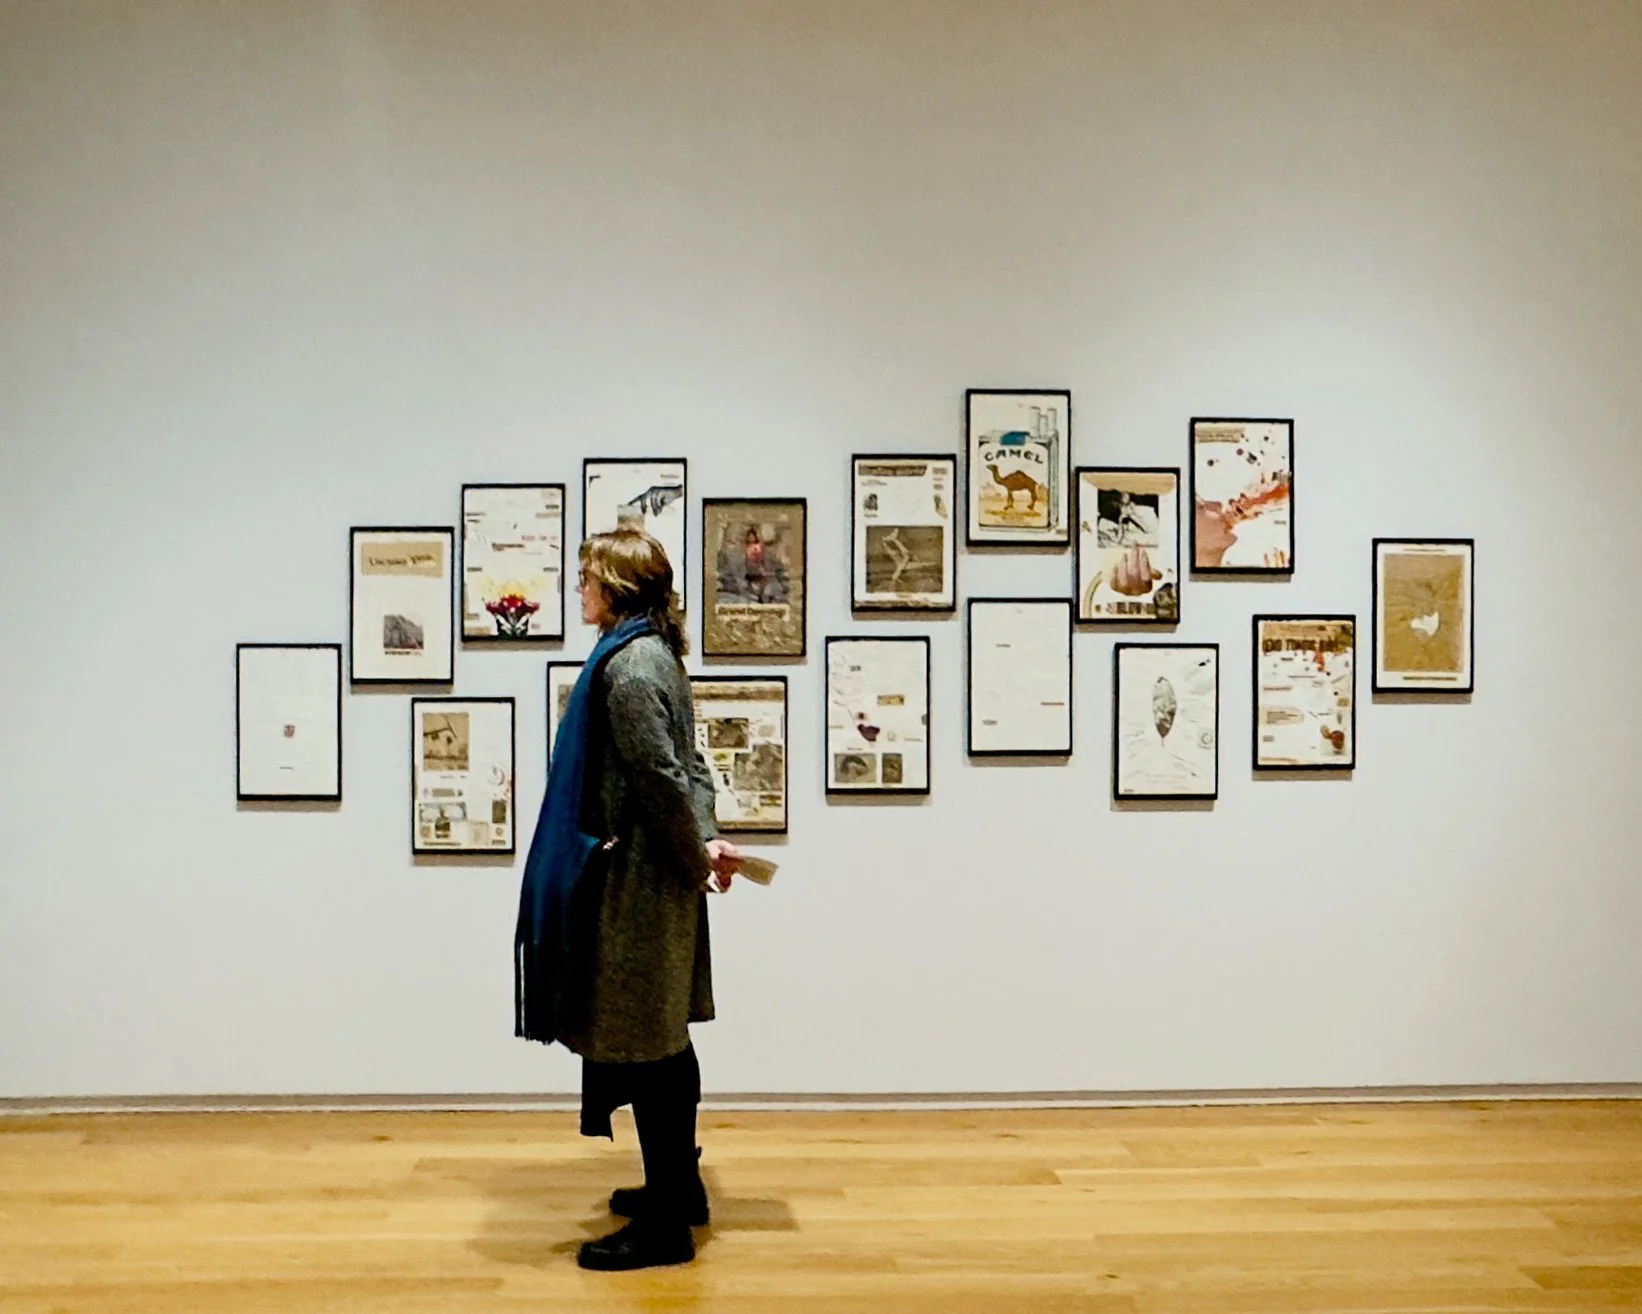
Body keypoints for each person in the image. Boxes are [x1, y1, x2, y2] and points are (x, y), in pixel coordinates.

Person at [514, 529, 739, 1272]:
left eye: (586, 578)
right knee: (662, 1038)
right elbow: (689, 769)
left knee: (650, 1049)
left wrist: (693, 852)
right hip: (652, 874)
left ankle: (668, 1225)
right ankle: (675, 1188)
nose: (578, 589)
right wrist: (703, 844)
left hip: (636, 887)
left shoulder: (633, 667)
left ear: (615, 586)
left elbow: (663, 779)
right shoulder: (654, 656)